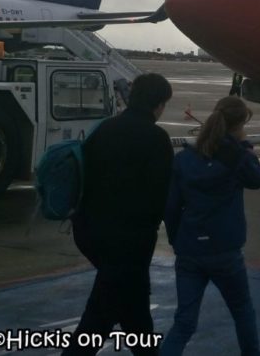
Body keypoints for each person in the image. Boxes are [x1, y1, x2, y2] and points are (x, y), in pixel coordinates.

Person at [63, 73, 174, 356]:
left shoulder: (104, 128)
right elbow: (160, 198)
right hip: (128, 242)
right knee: (99, 316)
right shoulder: (157, 138)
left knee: (133, 309)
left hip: (89, 233)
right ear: (159, 104)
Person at [162, 96, 260, 356]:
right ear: (239, 125)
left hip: (189, 250)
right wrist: (245, 147)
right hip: (224, 249)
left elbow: (171, 208)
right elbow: (257, 180)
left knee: (184, 322)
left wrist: (178, 241)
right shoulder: (237, 158)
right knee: (242, 311)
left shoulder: (185, 158)